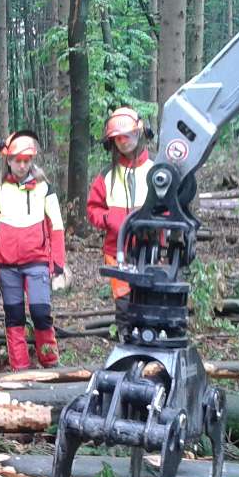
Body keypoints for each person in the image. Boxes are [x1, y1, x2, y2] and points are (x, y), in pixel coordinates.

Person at [0, 130, 65, 370]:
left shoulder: (44, 188)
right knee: (14, 316)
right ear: (8, 160)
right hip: (7, 265)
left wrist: (57, 260)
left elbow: (56, 224)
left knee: (40, 312)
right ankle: (20, 367)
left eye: (27, 160)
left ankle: (50, 360)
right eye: (18, 160)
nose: (22, 165)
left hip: (37, 261)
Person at [86, 106, 154, 328]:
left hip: (150, 248)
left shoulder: (156, 170)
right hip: (117, 250)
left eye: (128, 135)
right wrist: (109, 219)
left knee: (148, 301)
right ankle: (127, 340)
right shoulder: (107, 175)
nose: (123, 141)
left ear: (139, 132)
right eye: (118, 138)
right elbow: (93, 209)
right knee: (124, 304)